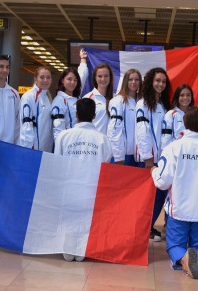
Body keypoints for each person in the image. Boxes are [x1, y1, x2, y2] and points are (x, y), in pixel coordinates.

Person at [151, 107, 198, 280]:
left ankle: (185, 259)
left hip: (179, 208)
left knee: (175, 246)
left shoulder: (174, 147)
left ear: (185, 123)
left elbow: (162, 183)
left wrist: (154, 171)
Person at [55, 98, 112, 262]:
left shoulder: (63, 136)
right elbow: (106, 163)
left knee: (69, 217)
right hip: (91, 187)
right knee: (87, 218)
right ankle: (82, 250)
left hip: (69, 186)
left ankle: (68, 249)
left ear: (76, 115)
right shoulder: (102, 139)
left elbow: (57, 161)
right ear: (94, 116)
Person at [135, 67, 171, 241]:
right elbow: (142, 131)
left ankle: (148, 226)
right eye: (157, 80)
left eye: (163, 81)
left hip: (162, 159)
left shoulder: (164, 105)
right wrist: (147, 156)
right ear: (150, 82)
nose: (160, 84)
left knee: (160, 195)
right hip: (150, 159)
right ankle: (144, 228)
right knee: (151, 196)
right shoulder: (143, 104)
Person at [107, 68, 142, 166]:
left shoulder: (141, 102)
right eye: (130, 79)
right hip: (123, 156)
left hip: (138, 156)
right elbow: (113, 130)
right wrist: (118, 156)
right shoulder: (118, 101)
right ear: (125, 81)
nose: (133, 82)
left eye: (137, 79)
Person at [79, 50, 114, 134]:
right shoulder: (88, 98)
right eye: (100, 76)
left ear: (110, 77)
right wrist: (83, 59)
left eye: (106, 76)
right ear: (95, 78)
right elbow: (83, 126)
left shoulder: (116, 98)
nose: (103, 79)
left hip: (110, 145)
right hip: (93, 144)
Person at [19, 67, 53, 152]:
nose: (45, 80)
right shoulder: (29, 97)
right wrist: (28, 150)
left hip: (46, 148)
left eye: (48, 77)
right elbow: (26, 126)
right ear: (35, 79)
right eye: (42, 77)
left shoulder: (47, 97)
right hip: (34, 150)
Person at [161, 84, 194, 153]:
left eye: (188, 95)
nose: (185, 98)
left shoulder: (195, 113)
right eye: (182, 95)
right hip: (176, 155)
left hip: (192, 155)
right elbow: (165, 139)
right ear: (177, 97)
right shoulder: (170, 114)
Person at [51, 67, 82, 141]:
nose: (72, 82)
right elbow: (57, 129)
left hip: (79, 143)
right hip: (67, 145)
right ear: (62, 80)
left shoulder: (78, 99)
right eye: (69, 79)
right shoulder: (59, 100)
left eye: (75, 80)